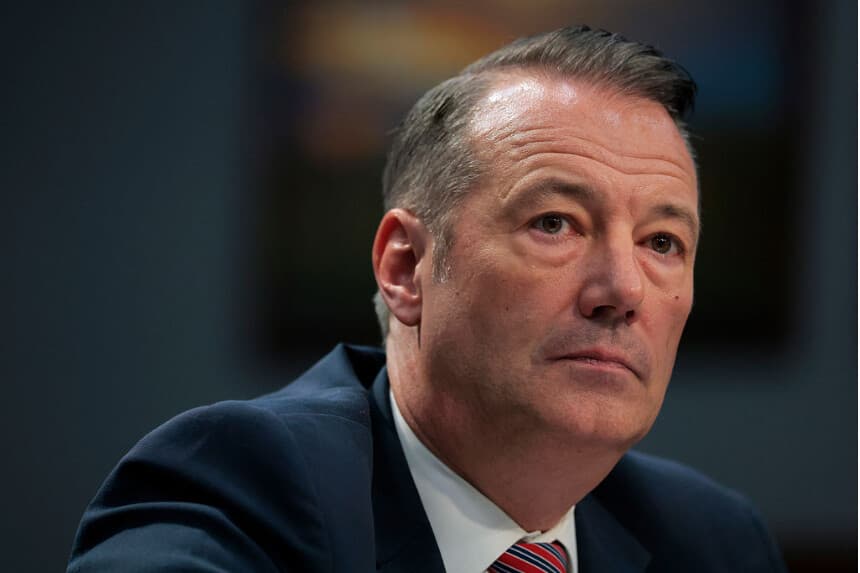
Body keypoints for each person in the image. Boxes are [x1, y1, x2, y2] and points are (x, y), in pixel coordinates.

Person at [68, 26, 787, 572]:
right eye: (555, 223)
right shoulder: (243, 485)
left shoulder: (713, 540)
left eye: (662, 241)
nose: (623, 291)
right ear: (406, 267)